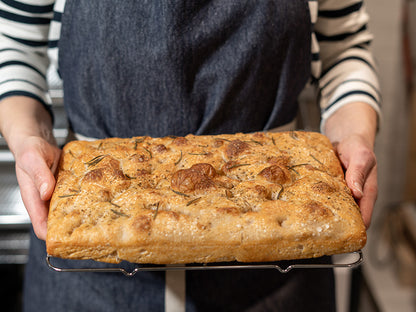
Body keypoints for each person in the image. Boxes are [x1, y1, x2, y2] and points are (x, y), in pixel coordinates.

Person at [0, 0, 380, 311]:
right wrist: (28, 136)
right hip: (91, 269)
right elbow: (14, 45)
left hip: (275, 268)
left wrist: (356, 135)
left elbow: (344, 47)